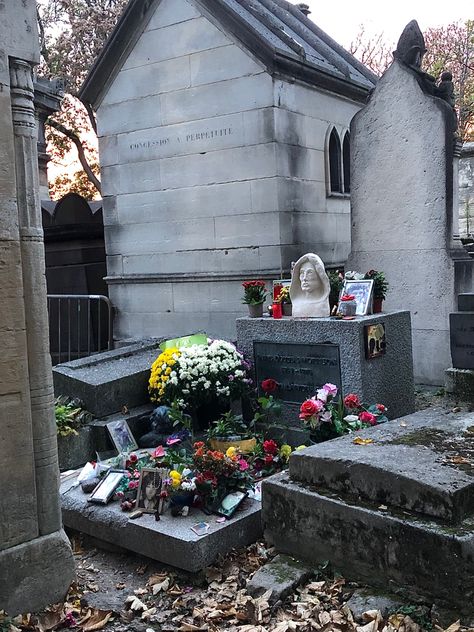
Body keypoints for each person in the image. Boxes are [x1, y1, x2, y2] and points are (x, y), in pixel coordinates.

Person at [289, 253, 330, 317]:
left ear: (320, 276)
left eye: (310, 272)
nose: (304, 278)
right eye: (302, 273)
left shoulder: (322, 306)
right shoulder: (297, 305)